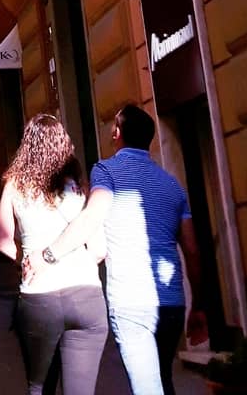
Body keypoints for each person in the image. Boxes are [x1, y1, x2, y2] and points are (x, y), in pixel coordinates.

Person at [36, 103, 206, 395]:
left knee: (148, 388)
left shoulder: (106, 171)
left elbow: (91, 216)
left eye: (114, 126)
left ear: (117, 133)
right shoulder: (173, 185)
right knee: (162, 380)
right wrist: (199, 305)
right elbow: (191, 250)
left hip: (131, 302)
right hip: (172, 303)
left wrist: (49, 255)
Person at [0, 113, 107, 395]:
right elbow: (99, 250)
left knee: (39, 387)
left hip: (38, 297)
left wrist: (27, 262)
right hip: (86, 294)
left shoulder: (15, 185)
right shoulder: (79, 187)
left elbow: (1, 240)